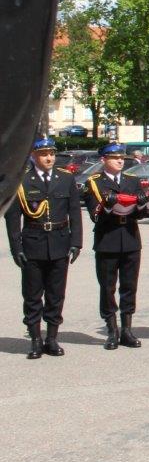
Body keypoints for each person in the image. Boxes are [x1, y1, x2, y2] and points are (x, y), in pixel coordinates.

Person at [5, 136, 81, 359]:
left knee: (56, 294)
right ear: (33, 156)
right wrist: (16, 247)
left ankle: (52, 338)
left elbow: (75, 212)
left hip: (59, 242)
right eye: (44, 154)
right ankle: (36, 340)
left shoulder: (65, 178)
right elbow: (13, 218)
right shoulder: (22, 181)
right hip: (33, 244)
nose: (49, 158)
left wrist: (76, 242)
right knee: (32, 294)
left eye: (51, 154)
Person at [83, 142, 148, 350]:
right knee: (108, 287)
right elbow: (95, 215)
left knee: (129, 286)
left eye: (122, 158)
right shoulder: (95, 183)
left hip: (130, 238)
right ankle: (112, 330)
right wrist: (108, 206)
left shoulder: (132, 180)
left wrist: (141, 203)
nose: (120, 161)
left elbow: (141, 214)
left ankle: (127, 329)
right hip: (107, 239)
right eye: (115, 158)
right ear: (104, 160)